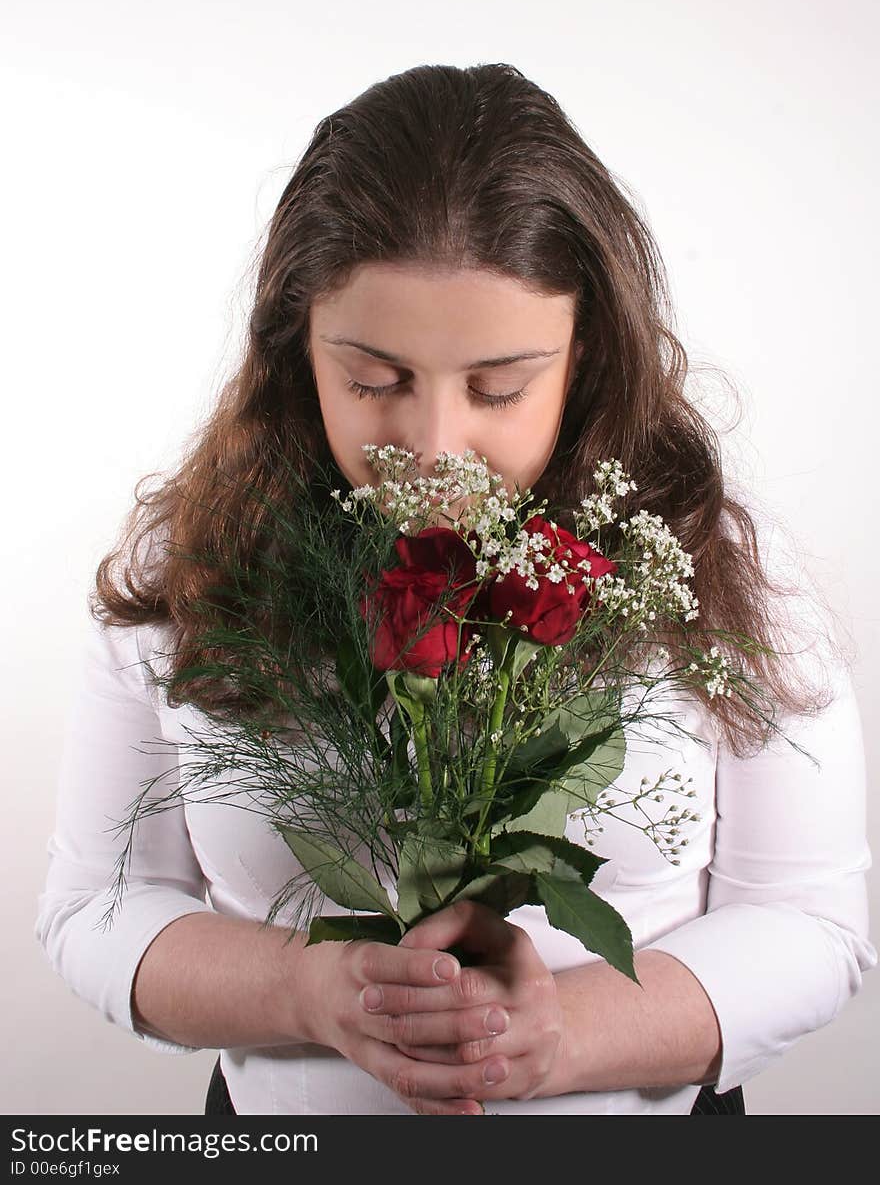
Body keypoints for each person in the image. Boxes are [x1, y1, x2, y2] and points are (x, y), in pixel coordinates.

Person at [36, 63, 876, 1116]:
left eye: (499, 388)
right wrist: (304, 990)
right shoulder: (191, 570)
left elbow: (810, 919)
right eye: (374, 381)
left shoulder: (720, 570)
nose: (434, 451)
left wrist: (562, 1036)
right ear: (297, 348)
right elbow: (95, 906)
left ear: (589, 357)